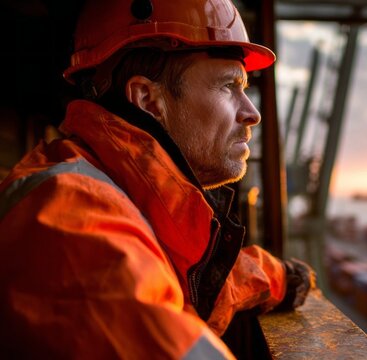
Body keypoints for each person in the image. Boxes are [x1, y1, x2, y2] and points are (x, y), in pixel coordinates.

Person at [0, 0, 314, 358]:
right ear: (148, 100)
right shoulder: (67, 220)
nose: (252, 113)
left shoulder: (115, 194)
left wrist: (278, 277)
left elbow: (186, 276)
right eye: (229, 86)